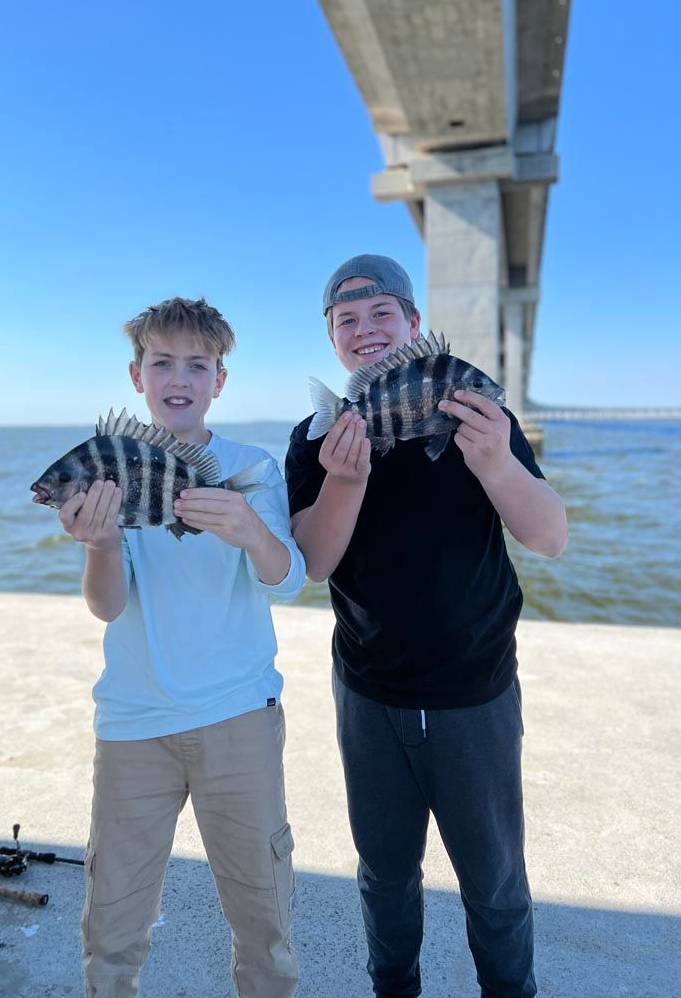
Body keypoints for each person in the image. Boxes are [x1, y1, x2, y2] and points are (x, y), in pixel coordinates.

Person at [285, 254, 567, 998]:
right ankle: (393, 986)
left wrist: (496, 463)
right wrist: (345, 476)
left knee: (495, 880)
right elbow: (313, 561)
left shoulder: (478, 415)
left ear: (412, 324)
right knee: (382, 872)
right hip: (367, 689)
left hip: (474, 691)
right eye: (346, 320)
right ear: (333, 341)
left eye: (381, 314)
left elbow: (548, 537)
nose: (364, 329)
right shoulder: (318, 435)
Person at [59, 297, 304, 998]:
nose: (179, 376)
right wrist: (101, 543)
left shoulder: (248, 466)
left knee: (262, 907)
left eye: (197, 364)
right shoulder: (110, 469)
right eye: (162, 361)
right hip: (134, 722)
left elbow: (285, 582)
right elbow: (107, 605)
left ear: (218, 381)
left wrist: (250, 530)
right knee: (112, 915)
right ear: (137, 376)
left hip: (239, 717)